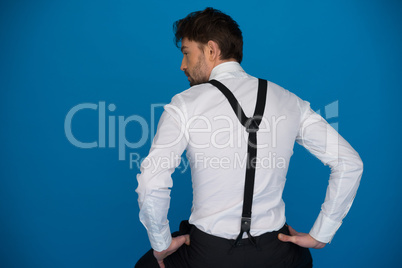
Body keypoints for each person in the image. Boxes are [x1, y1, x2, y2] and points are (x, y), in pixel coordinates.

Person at [135, 7, 363, 268]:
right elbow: (349, 162)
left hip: (208, 255)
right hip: (277, 254)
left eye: (187, 53)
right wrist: (322, 233)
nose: (182, 65)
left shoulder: (185, 104)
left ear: (211, 50)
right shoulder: (289, 101)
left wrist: (161, 243)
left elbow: (152, 182)